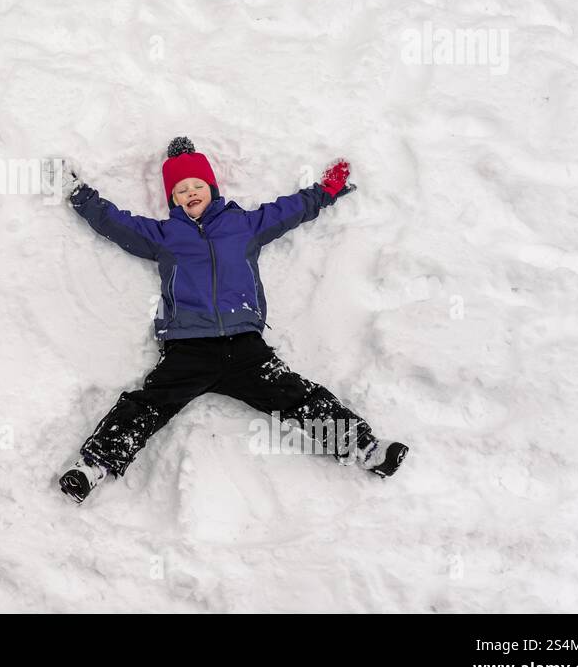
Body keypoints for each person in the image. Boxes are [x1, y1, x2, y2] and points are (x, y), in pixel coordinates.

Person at [47, 137, 408, 503]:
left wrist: (324, 191)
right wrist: (77, 194)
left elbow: (288, 211)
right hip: (188, 349)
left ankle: (366, 448)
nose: (190, 193)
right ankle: (92, 466)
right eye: (181, 190)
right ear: (172, 199)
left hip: (245, 347)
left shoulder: (243, 226)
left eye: (197, 186)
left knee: (299, 398)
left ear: (212, 188)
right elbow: (116, 222)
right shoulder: (166, 236)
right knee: (147, 405)